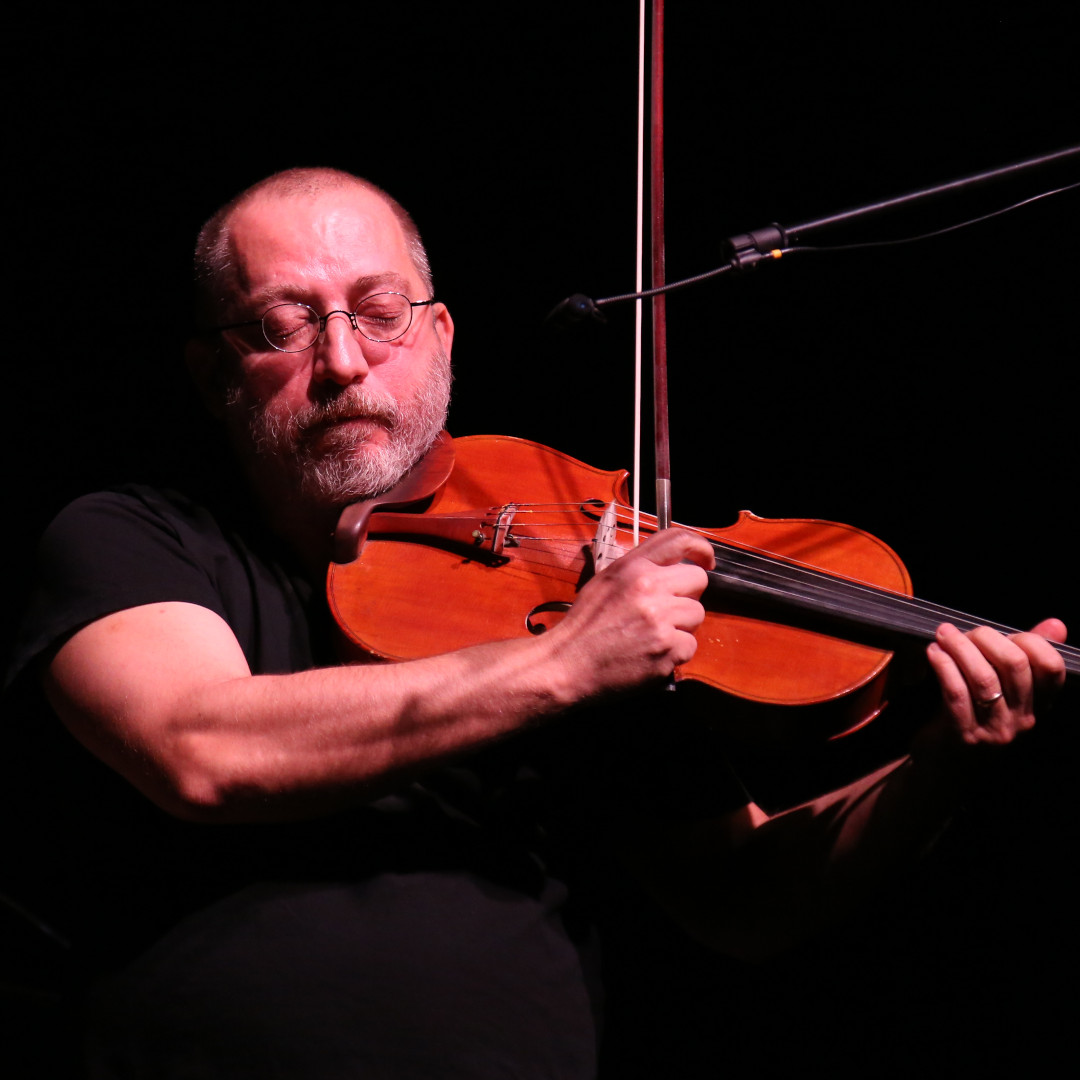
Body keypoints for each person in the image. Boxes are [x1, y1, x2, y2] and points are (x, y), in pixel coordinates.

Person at [8, 167, 1067, 1078]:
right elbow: (201, 747)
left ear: (441, 335)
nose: (341, 361)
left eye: (379, 313)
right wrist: (566, 661)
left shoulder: (577, 584)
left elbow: (744, 898)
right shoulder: (133, 537)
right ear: (210, 370)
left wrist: (936, 770)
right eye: (283, 324)